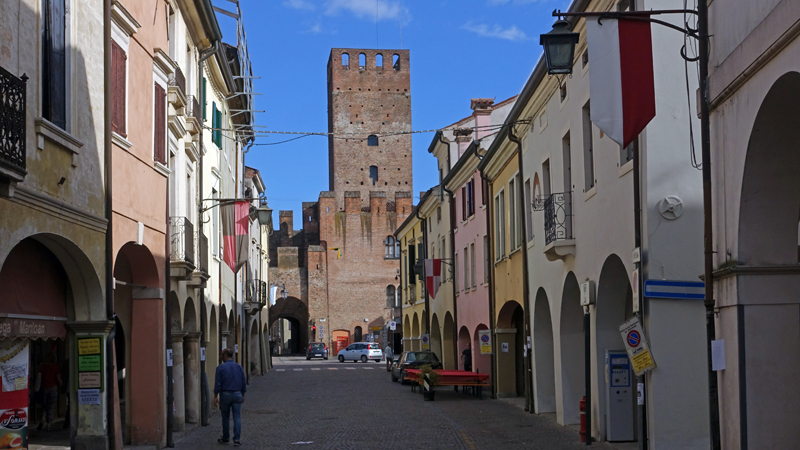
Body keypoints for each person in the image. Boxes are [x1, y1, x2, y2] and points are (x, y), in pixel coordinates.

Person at [214, 349, 246, 446]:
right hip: (237, 394)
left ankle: (226, 437)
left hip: (225, 394)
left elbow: (218, 384)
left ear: (224, 356)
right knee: (237, 416)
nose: (221, 357)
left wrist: (216, 395)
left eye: (221, 355)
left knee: (225, 417)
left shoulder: (220, 368)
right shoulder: (239, 367)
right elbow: (243, 381)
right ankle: (237, 439)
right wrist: (243, 394)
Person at [36, 353, 62, 431]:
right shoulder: (56, 367)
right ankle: (49, 425)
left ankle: (42, 420)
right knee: (51, 406)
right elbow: (58, 378)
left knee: (44, 405)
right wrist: (62, 386)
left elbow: (39, 377)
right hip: (53, 388)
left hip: (44, 388)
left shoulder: (43, 366)